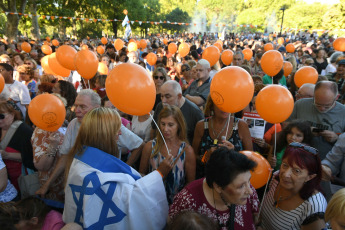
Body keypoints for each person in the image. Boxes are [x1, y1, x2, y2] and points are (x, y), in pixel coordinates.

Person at [63, 107, 170, 229]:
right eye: (116, 129)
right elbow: (133, 201)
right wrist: (159, 174)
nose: (120, 133)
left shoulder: (80, 160)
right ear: (104, 134)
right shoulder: (101, 178)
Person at [169, 148, 260, 230]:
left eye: (249, 181)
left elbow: (255, 218)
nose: (250, 191)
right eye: (241, 186)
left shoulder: (248, 191)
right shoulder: (186, 202)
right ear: (218, 187)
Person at [260, 142, 327, 230]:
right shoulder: (276, 178)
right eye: (285, 165)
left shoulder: (314, 206)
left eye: (296, 171)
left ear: (309, 177)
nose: (285, 174)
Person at [140, 105, 196, 204]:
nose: (165, 129)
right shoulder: (150, 147)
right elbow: (141, 176)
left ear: (179, 125)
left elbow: (190, 184)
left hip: (176, 205)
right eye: (163, 124)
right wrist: (160, 172)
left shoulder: (187, 151)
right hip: (152, 203)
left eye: (170, 125)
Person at [193, 95, 253, 178]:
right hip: (207, 178)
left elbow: (250, 157)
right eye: (221, 104)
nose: (225, 108)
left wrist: (233, 153)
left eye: (228, 104)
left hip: (233, 179)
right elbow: (193, 156)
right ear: (211, 105)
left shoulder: (241, 125)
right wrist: (205, 157)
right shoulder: (201, 125)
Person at [287, 81, 345, 160]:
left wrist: (337, 138)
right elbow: (287, 126)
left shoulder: (343, 112)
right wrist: (305, 130)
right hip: (298, 158)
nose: (322, 108)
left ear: (337, 97)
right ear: (314, 95)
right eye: (318, 104)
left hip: (327, 161)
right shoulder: (300, 104)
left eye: (327, 106)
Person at [31, 94, 67, 202]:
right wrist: (53, 146)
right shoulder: (41, 131)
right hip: (52, 187)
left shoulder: (67, 124)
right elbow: (41, 166)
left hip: (67, 184)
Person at [0, 101, 34, 191]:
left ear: (12, 115)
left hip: (19, 179)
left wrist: (6, 155)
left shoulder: (24, 131)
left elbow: (31, 157)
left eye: (1, 116)